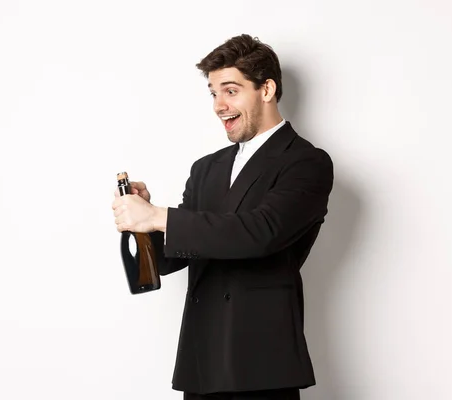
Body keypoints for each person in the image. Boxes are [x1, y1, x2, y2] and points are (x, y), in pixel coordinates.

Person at [112, 34, 334, 400]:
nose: (219, 105)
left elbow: (259, 233)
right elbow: (171, 259)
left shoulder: (306, 162)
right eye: (213, 93)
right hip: (202, 363)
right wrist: (144, 224)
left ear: (266, 89)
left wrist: (159, 216)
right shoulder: (206, 169)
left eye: (230, 91)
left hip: (262, 365)